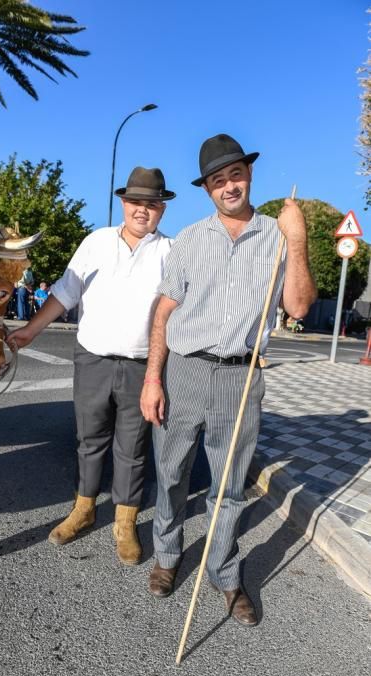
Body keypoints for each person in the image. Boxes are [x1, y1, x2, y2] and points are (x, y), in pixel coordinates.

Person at [140, 134, 316, 624]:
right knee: (172, 473)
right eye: (217, 180)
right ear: (207, 190)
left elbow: (299, 306)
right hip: (185, 369)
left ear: (249, 175)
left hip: (241, 378)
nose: (228, 186)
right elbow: (163, 314)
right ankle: (168, 556)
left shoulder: (279, 238)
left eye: (235, 174)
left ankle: (225, 573)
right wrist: (153, 378)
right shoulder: (190, 240)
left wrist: (298, 240)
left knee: (230, 485)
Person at [7, 167, 175, 565]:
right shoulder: (96, 242)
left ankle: (125, 522)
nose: (142, 210)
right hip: (93, 358)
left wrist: (159, 373)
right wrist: (30, 331)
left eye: (151, 204)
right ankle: (83, 510)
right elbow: (65, 294)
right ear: (123, 203)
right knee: (89, 439)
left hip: (141, 366)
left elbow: (175, 313)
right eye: (136, 202)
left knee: (133, 448)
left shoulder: (172, 252)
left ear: (162, 210)